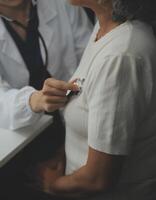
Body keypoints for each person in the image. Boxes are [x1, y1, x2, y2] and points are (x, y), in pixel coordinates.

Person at [33, 0, 156, 199]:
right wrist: (63, 154)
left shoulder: (120, 56)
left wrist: (52, 184)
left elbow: (97, 179)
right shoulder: (104, 27)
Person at [0, 0, 92, 130]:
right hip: (25, 130)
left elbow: (91, 57)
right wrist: (34, 100)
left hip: (80, 109)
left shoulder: (62, 3)